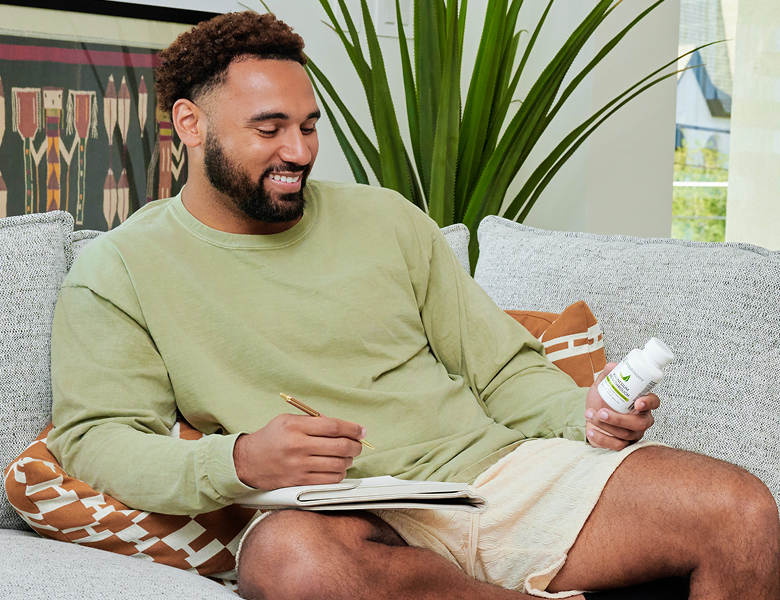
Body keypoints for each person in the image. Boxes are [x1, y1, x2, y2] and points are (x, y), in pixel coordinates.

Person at [48, 11, 779, 600]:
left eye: (308, 126)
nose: (298, 151)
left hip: (499, 475)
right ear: (190, 124)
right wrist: (239, 458)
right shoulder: (120, 270)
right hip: (354, 516)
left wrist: (581, 413)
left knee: (741, 509)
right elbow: (97, 438)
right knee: (288, 562)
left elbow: (501, 369)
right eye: (269, 130)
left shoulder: (386, 218)